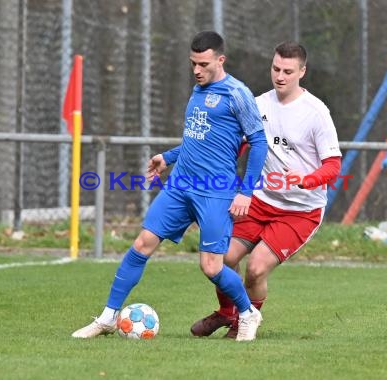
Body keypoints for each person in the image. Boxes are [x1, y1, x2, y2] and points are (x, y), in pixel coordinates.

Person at [72, 31, 268, 341]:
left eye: (203, 64)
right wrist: (169, 157)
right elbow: (199, 140)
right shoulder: (197, 90)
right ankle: (109, 317)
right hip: (180, 186)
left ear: (221, 60)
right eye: (193, 63)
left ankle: (247, 313)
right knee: (141, 244)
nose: (196, 70)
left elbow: (258, 142)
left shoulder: (238, 94)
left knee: (211, 267)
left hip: (215, 191)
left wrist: (246, 191)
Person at [190, 41, 342, 338]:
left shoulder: (316, 112)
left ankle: (242, 322)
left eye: (288, 71)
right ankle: (226, 312)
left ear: (302, 72)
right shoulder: (257, 104)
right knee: (222, 258)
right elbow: (238, 144)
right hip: (259, 201)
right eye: (275, 69)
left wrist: (306, 179)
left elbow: (333, 166)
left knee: (256, 269)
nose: (280, 76)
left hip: (300, 211)